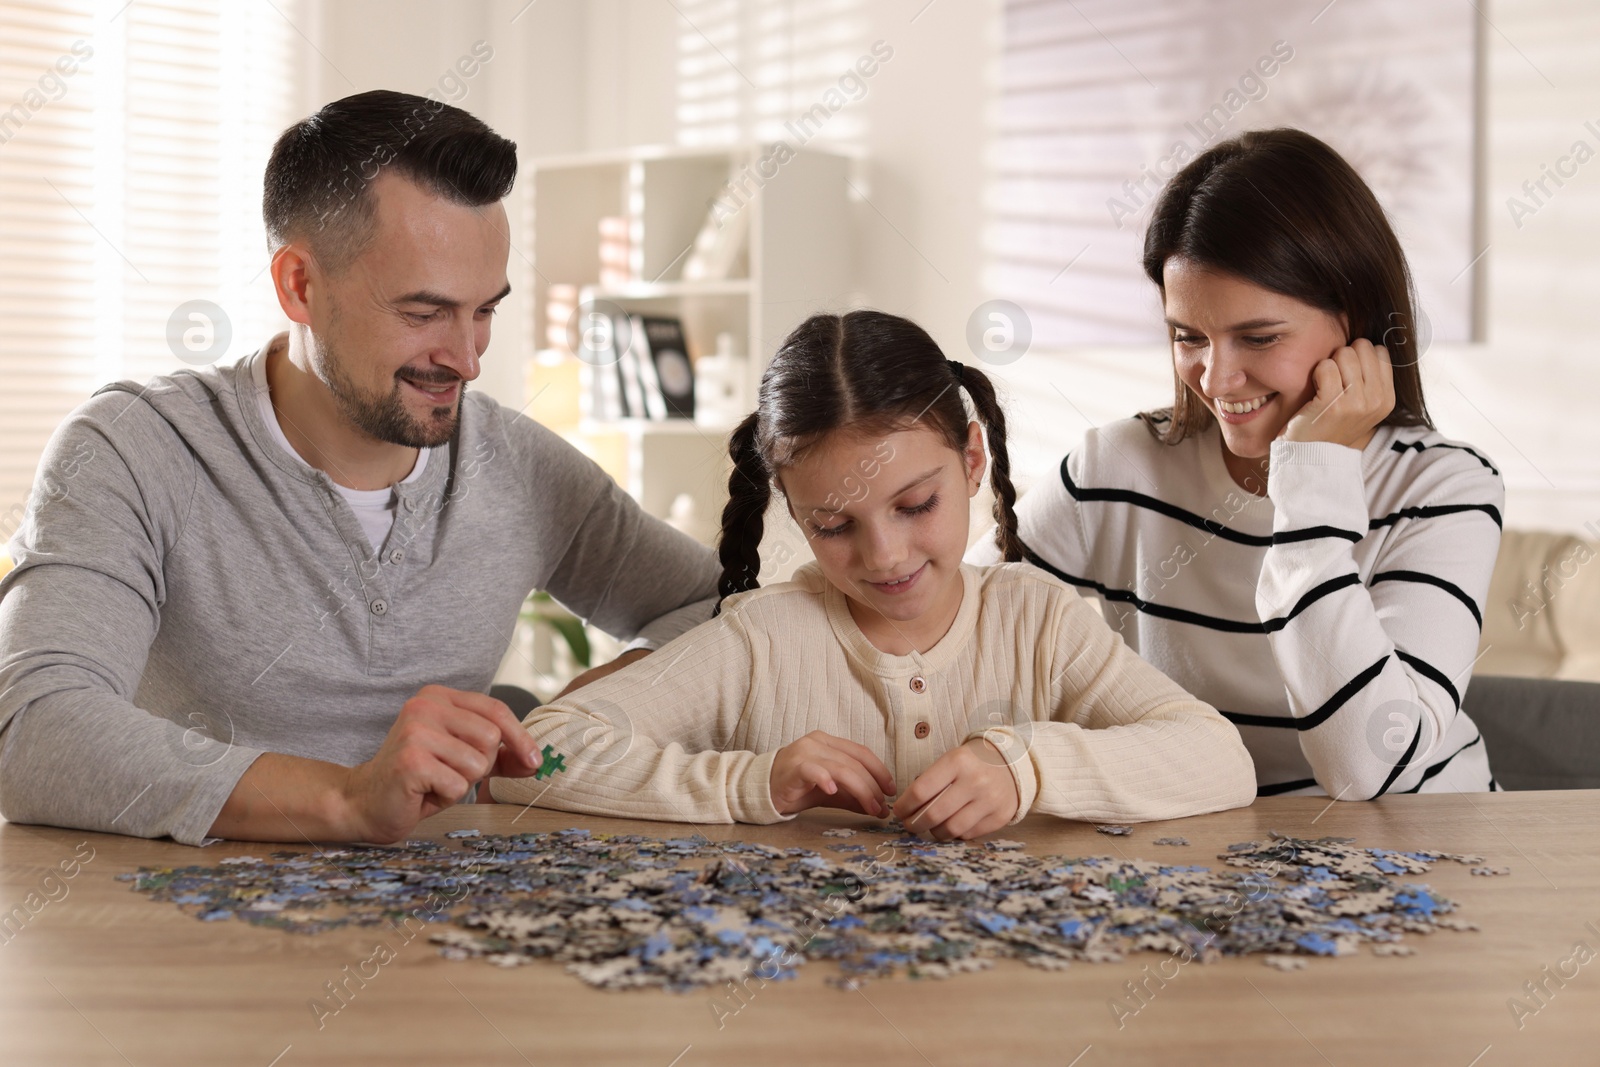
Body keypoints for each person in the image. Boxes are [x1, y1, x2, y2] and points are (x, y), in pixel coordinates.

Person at [0, 91, 721, 846]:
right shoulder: (133, 449)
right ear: (300, 286)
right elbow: (36, 730)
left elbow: (716, 609)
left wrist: (570, 722)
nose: (469, 358)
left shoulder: (521, 466)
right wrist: (348, 799)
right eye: (424, 313)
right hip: (182, 933)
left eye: (485, 311)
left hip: (434, 930)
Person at [492, 311, 1256, 839]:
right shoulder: (761, 639)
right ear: (793, 511)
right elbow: (536, 759)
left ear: (972, 461)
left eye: (916, 504)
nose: (885, 554)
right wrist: (749, 782)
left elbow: (1219, 759)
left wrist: (1027, 766)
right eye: (833, 526)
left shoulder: (1040, 622)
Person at [971, 128, 1502, 799]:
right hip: (1201, 852)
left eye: (1258, 337)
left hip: (1423, 848)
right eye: (1187, 336)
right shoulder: (1117, 468)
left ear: (1357, 322)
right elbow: (949, 629)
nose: (1217, 378)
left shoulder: (1444, 488)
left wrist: (1313, 478)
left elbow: (1371, 769)